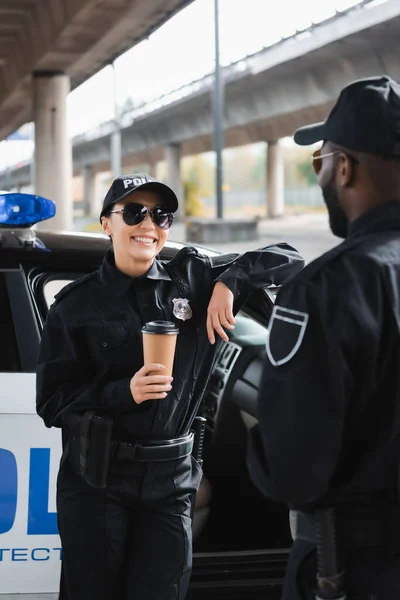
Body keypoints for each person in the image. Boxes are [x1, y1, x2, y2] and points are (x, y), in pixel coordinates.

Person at [36, 172, 304, 600]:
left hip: (172, 482)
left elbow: (289, 257)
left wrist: (230, 283)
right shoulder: (75, 306)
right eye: (134, 213)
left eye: (160, 215)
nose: (148, 225)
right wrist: (127, 392)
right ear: (107, 223)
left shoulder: (193, 275)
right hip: (97, 482)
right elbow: (51, 403)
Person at [247, 75, 400, 600]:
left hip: (355, 570)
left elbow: (291, 472)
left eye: (320, 162)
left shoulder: (328, 288)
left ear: (344, 166)